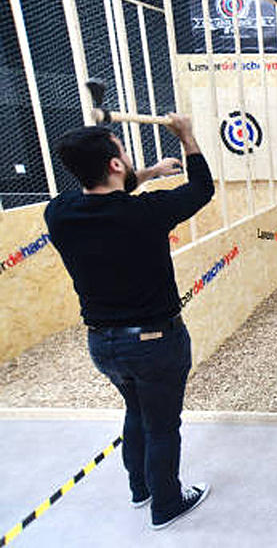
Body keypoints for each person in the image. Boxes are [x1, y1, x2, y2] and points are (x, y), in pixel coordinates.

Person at [44, 116, 214, 529]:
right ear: (116, 165)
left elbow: (107, 196)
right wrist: (187, 137)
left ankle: (140, 488)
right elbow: (201, 188)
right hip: (156, 342)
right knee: (161, 426)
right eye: (121, 149)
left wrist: (151, 173)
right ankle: (167, 504)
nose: (127, 155)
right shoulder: (147, 212)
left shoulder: (59, 213)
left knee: (136, 412)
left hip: (104, 347)